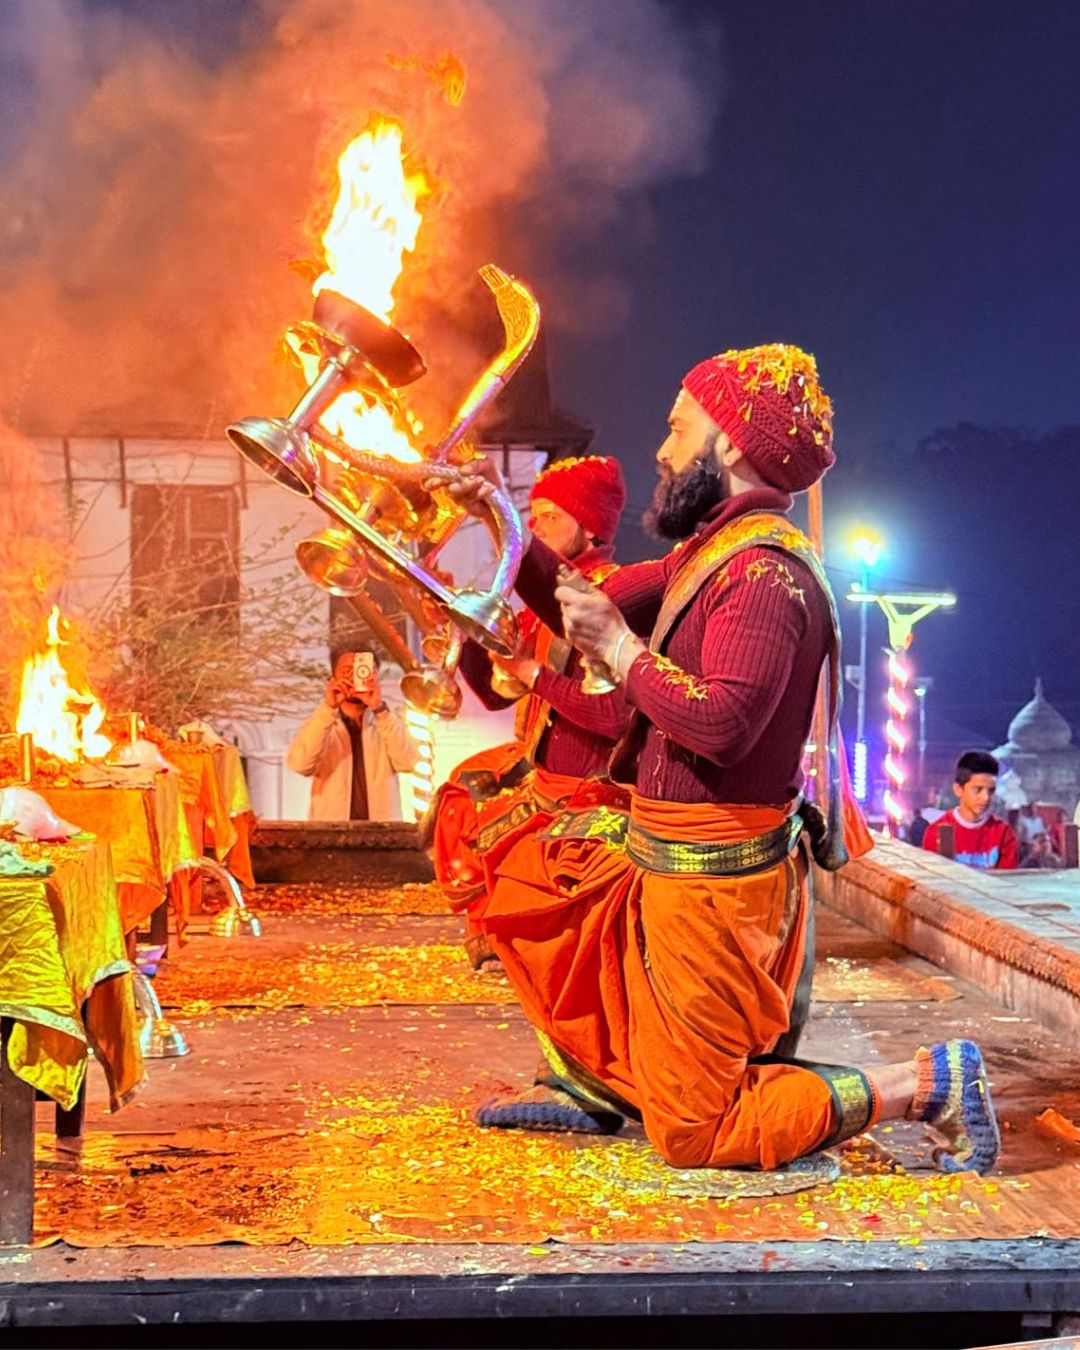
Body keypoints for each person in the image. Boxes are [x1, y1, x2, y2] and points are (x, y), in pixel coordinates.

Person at [450, 343, 998, 1176]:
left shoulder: (761, 578)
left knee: (697, 1132)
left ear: (731, 446)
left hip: (713, 882)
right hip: (672, 864)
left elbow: (724, 726)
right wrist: (499, 517)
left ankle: (922, 1085)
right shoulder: (706, 557)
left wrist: (622, 653)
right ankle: (634, 1086)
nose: (664, 452)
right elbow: (574, 606)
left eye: (678, 429)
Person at [427, 456, 630, 967]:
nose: (535, 526)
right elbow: (498, 693)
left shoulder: (606, 596)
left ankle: (511, 939)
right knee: (461, 792)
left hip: (593, 785)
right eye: (531, 516)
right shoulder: (548, 600)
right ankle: (499, 939)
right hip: (542, 771)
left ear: (587, 528)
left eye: (548, 516)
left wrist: (529, 672)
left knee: (483, 815)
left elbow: (612, 717)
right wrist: (459, 626)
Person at [286, 650, 419, 821]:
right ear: (332, 679)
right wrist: (328, 708)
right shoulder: (322, 723)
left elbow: (408, 762)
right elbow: (300, 764)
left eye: (363, 670)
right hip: (330, 836)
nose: (355, 678)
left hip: (381, 836)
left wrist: (380, 710)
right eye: (348, 671)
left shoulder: (388, 721)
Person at [922, 751, 1018, 871]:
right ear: (958, 789)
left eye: (991, 791)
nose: (986, 798)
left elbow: (1007, 882)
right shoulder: (937, 832)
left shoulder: (1003, 833)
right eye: (978, 789)